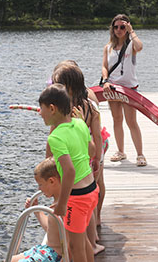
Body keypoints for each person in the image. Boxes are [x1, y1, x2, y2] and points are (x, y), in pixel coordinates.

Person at [51, 61, 107, 255]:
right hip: (87, 156)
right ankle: (91, 242)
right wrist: (97, 160)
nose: (54, 87)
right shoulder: (84, 105)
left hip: (83, 156)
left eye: (57, 84)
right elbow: (95, 137)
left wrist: (98, 160)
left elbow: (53, 138)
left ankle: (87, 241)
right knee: (88, 204)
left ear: (70, 87)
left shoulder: (72, 108)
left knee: (81, 208)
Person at [39, 83, 99, 262]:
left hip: (77, 198)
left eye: (42, 109)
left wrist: (62, 203)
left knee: (74, 247)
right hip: (91, 190)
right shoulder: (80, 123)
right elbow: (92, 152)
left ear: (52, 108)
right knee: (81, 240)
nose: (39, 113)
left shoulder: (55, 137)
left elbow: (69, 172)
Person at [101, 14, 146, 167]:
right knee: (117, 119)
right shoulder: (108, 47)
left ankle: (140, 155)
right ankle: (121, 151)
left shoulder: (131, 45)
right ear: (112, 29)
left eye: (122, 27)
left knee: (131, 121)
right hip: (113, 87)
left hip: (129, 88)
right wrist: (105, 81)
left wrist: (132, 31)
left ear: (127, 28)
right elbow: (104, 67)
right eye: (116, 27)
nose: (119, 30)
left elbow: (140, 46)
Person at [11, 157, 63, 262]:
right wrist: (37, 211)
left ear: (52, 181)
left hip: (53, 255)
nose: (39, 189)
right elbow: (52, 229)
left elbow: (70, 239)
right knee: (9, 259)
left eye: (41, 185)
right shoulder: (56, 203)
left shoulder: (62, 206)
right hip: (45, 249)